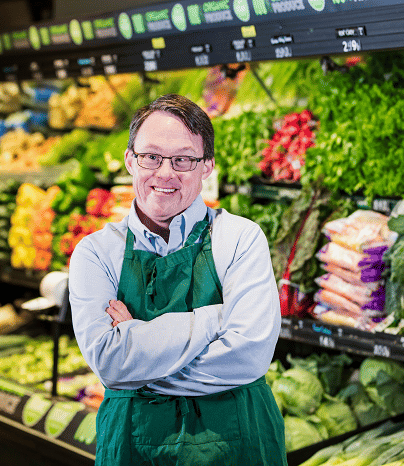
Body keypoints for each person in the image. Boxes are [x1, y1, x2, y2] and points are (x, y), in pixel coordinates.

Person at [68, 93, 287, 466]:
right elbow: (110, 362)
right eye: (151, 156)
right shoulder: (95, 252)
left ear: (207, 167)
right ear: (130, 161)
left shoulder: (240, 237)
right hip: (133, 445)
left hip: (238, 444)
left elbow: (249, 358)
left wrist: (139, 361)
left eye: (183, 159)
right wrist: (215, 320)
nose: (165, 172)